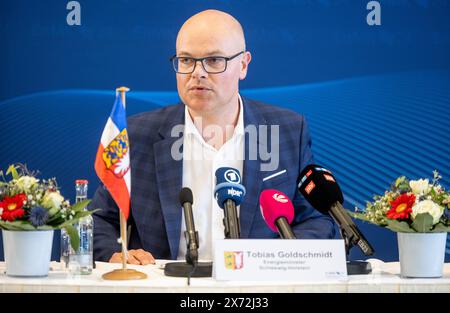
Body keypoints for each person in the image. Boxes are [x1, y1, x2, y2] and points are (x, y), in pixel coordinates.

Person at [91, 9, 335, 265]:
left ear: (243, 65)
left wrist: (278, 262)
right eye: (186, 60)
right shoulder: (139, 135)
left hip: (256, 289)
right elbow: (100, 219)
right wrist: (115, 255)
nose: (198, 72)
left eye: (214, 60)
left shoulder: (287, 131)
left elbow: (316, 220)